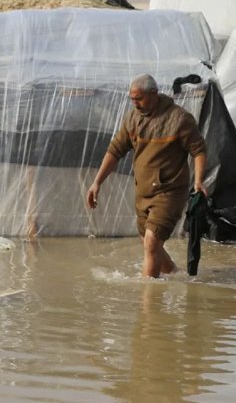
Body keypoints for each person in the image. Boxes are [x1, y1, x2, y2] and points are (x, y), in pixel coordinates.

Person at [86, 74, 207, 278]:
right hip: (143, 192)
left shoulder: (179, 119)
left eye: (139, 98)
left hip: (169, 191)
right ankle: (177, 275)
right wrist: (96, 182)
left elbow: (199, 151)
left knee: (151, 241)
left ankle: (148, 301)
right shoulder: (133, 118)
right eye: (132, 99)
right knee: (148, 243)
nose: (135, 103)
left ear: (154, 94)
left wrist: (198, 181)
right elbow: (115, 150)